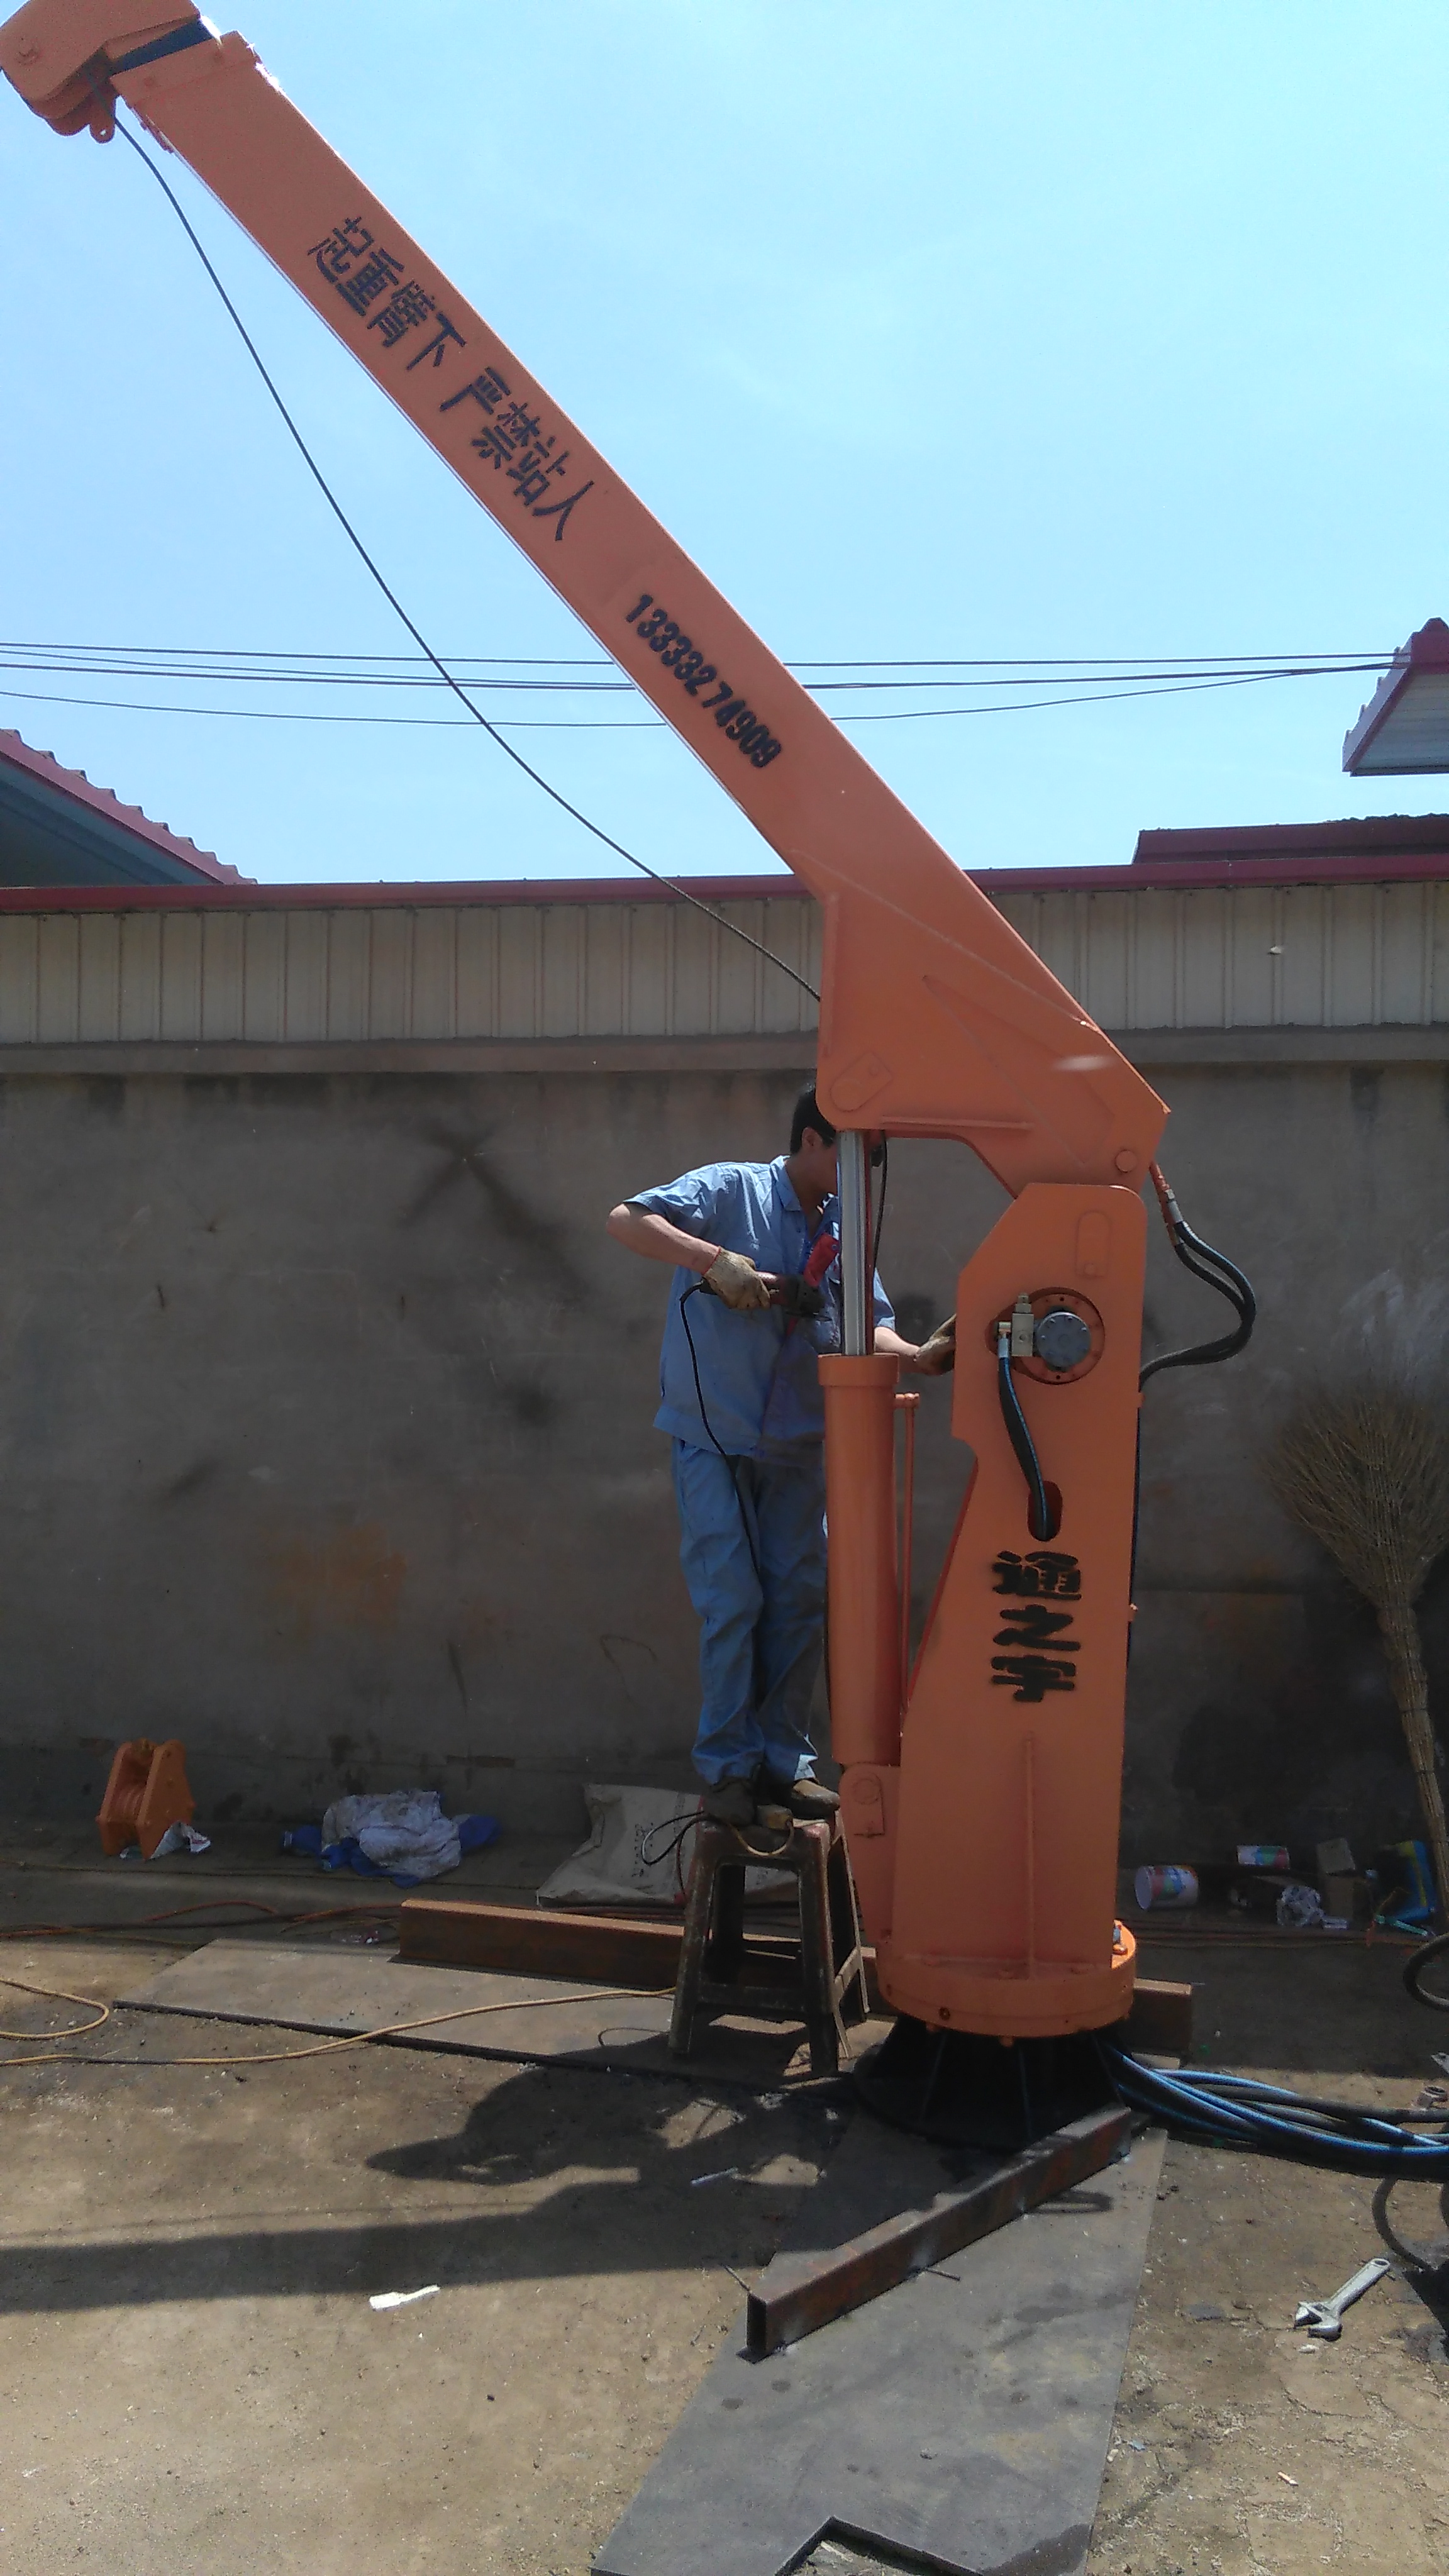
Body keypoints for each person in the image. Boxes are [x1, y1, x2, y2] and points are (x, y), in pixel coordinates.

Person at [606, 1081, 948, 1829]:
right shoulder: (732, 1191)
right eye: (856, 1155)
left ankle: (783, 1765)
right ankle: (728, 1770)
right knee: (735, 1601)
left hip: (795, 1449)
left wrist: (920, 1356)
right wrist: (713, 1261)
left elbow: (869, 1327)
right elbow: (627, 1219)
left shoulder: (843, 1230)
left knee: (796, 1602)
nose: (865, 1176)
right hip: (716, 1440)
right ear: (814, 1141)